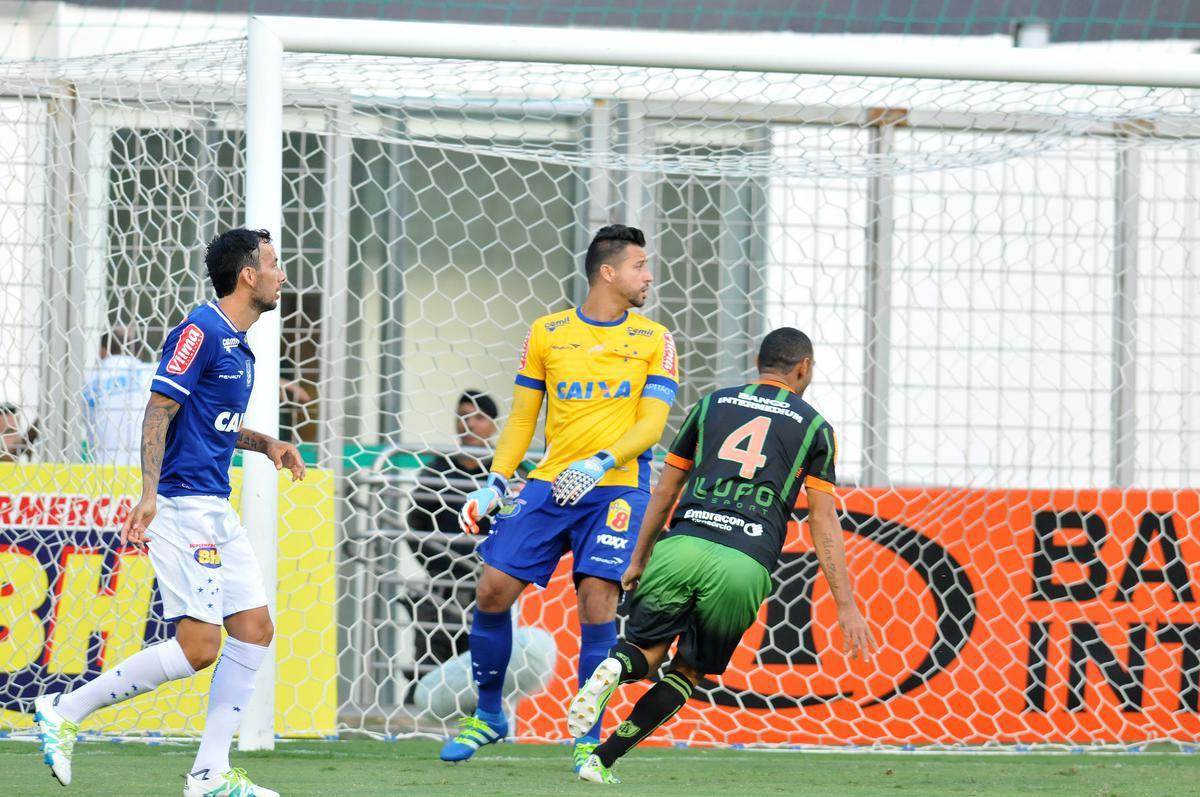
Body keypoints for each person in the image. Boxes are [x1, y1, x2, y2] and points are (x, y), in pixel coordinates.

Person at [34, 228, 306, 797]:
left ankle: (208, 775)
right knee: (199, 647)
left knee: (254, 630)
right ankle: (64, 710)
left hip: (214, 506)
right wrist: (149, 495)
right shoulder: (199, 330)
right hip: (181, 505)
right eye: (276, 265)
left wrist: (270, 446)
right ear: (249, 276)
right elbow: (158, 412)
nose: (284, 275)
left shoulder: (240, 343)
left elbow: (211, 428)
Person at [566, 327, 877, 784]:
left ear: (757, 361)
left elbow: (666, 489)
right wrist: (845, 604)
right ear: (804, 368)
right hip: (743, 563)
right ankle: (602, 759)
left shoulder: (711, 405)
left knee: (643, 654)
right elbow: (822, 520)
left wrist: (638, 557)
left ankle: (614, 667)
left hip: (683, 545)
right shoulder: (815, 427)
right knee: (686, 672)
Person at [441, 224, 679, 773]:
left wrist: (601, 460)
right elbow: (524, 415)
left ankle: (586, 738)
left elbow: (652, 425)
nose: (649, 276)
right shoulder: (546, 333)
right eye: (641, 265)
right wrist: (496, 481)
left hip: (616, 485)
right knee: (493, 589)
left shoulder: (654, 339)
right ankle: (490, 714)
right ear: (608, 271)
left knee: (598, 600)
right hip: (551, 482)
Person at [408, 390, 501, 534]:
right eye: (463, 417)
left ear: (495, 426)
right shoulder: (437, 470)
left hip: (493, 556)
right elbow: (416, 520)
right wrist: (437, 555)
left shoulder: (508, 473)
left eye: (479, 417)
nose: (470, 424)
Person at [81, 324, 156, 465]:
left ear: (103, 350)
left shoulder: (89, 379)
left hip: (100, 470)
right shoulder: (149, 372)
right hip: (145, 469)